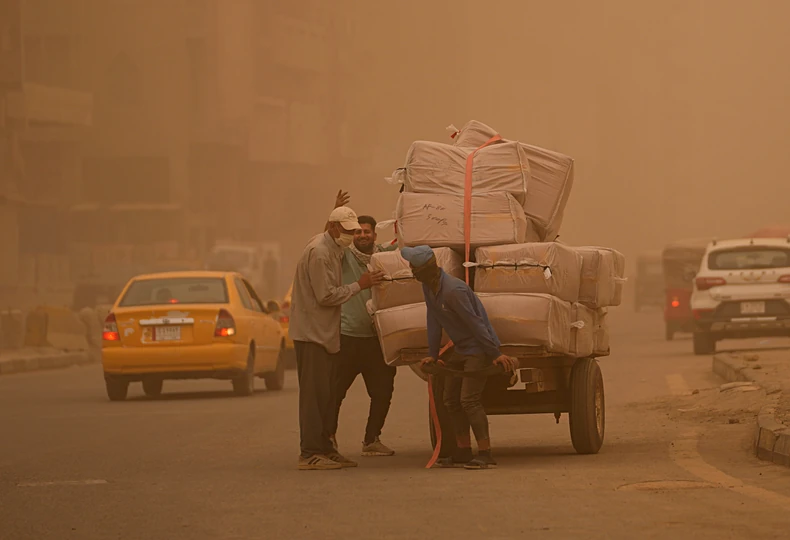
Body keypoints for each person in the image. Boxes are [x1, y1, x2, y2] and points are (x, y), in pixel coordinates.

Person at [400, 245, 518, 470]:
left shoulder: (454, 291)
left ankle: (486, 454)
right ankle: (463, 451)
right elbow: (433, 320)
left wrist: (494, 353)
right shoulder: (429, 287)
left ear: (425, 270)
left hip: (478, 348)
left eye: (413, 268)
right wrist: (432, 355)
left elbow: (477, 324)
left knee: (468, 400)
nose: (411, 271)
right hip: (462, 348)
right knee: (450, 399)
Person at [289, 202, 385, 471]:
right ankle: (309, 453)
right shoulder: (320, 253)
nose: (352, 236)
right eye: (347, 230)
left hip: (325, 334)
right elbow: (326, 295)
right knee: (313, 397)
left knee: (326, 395)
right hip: (312, 334)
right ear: (333, 228)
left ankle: (325, 448)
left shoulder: (331, 246)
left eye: (354, 230)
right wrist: (360, 285)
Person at [328, 204, 399, 457]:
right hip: (348, 338)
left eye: (367, 232)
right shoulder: (344, 256)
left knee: (383, 392)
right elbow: (330, 238)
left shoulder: (384, 257)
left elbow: (405, 243)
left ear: (374, 235)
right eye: (357, 232)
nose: (362, 236)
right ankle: (328, 438)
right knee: (334, 393)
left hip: (377, 340)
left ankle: (372, 439)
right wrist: (334, 213)